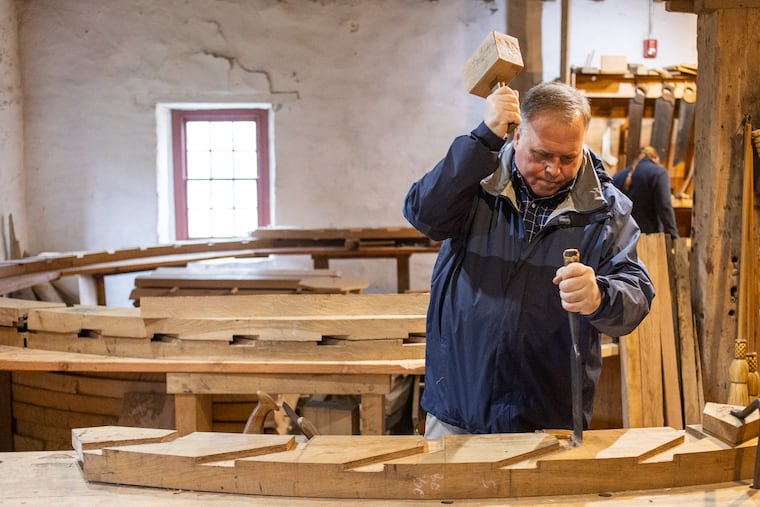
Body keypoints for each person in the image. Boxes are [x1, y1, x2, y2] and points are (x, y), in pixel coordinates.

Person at [403, 81, 655, 437]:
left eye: (568, 158)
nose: (553, 170)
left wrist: (600, 295)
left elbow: (637, 293)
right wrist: (482, 140)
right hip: (459, 408)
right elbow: (423, 214)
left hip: (548, 417)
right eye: (541, 155)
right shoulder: (477, 183)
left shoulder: (607, 211)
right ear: (517, 135)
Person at [611, 146, 680, 238]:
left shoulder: (618, 177)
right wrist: (674, 236)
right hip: (649, 239)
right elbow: (665, 207)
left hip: (622, 239)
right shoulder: (659, 174)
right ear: (655, 158)